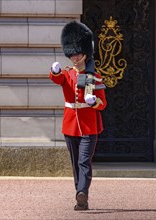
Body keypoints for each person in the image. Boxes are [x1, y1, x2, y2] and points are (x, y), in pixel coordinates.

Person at [49, 21, 107, 211]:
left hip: (89, 126)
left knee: (84, 161)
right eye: (72, 54)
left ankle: (82, 192)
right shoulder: (67, 74)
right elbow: (58, 79)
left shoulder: (94, 77)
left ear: (85, 54)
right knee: (75, 163)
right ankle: (80, 196)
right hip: (70, 125)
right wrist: (55, 71)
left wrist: (94, 102)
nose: (75, 58)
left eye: (78, 54)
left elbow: (103, 103)